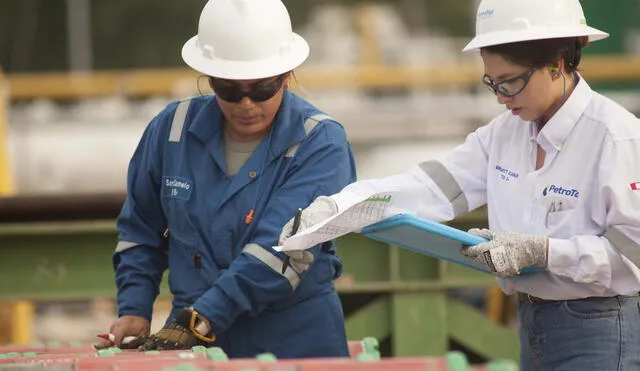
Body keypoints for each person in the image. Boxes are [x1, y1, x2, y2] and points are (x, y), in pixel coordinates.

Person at [279, 0, 640, 369]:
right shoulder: (504, 135)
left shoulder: (616, 139)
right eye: (492, 82)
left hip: (601, 329)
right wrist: (343, 206)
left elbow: (634, 257)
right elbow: (430, 187)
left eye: (511, 82)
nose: (500, 97)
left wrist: (544, 253)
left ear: (558, 63)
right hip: (532, 324)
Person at [101, 0, 356, 358]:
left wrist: (201, 319)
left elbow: (282, 250)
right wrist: (133, 308)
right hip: (193, 339)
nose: (247, 103)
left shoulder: (320, 142)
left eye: (262, 88)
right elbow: (141, 231)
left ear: (287, 75)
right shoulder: (172, 131)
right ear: (210, 79)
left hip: (295, 342)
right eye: (230, 90)